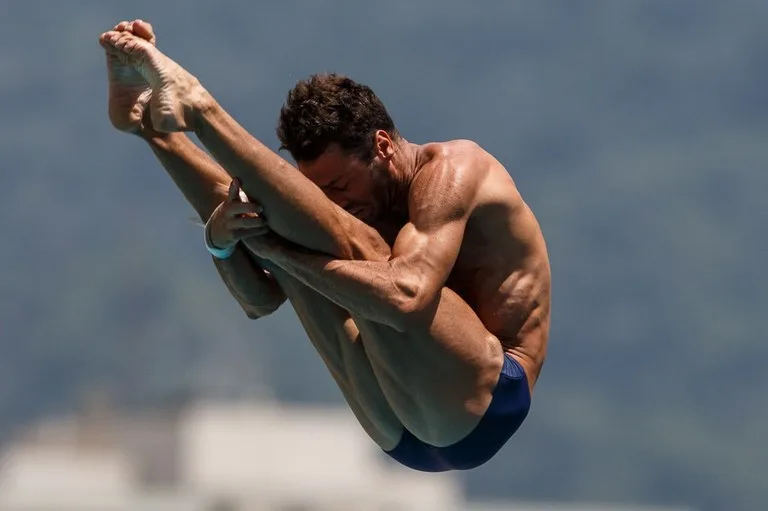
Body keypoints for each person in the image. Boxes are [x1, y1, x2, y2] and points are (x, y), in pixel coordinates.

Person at [99, 19, 551, 472]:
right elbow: (259, 300)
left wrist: (281, 252)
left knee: (352, 249)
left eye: (338, 184)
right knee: (273, 227)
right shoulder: (348, 212)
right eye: (321, 190)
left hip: (488, 401)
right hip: (401, 434)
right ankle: (151, 127)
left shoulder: (454, 172)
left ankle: (200, 106)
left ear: (382, 147)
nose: (335, 202)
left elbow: (407, 296)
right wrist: (220, 244)